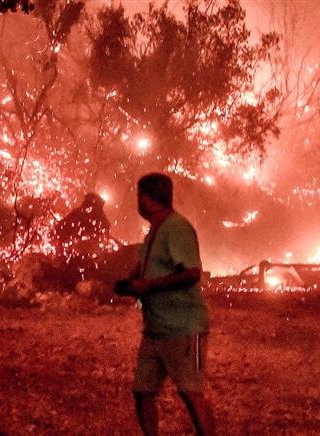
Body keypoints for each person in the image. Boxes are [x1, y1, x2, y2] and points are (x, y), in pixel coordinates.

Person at [115, 173, 216, 435]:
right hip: (156, 330)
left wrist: (148, 287)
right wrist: (131, 282)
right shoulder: (155, 231)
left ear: (147, 200)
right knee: (142, 392)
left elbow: (192, 273)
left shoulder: (177, 228)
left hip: (184, 328)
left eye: (140, 197)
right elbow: (147, 268)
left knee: (192, 394)